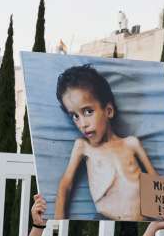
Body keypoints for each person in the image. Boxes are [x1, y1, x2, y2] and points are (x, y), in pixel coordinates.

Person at [53, 65, 157, 221]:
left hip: (142, 220)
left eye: (88, 111)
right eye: (75, 116)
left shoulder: (131, 143)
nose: (82, 124)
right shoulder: (83, 147)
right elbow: (65, 185)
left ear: (108, 111)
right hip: (106, 220)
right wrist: (57, 225)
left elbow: (155, 181)